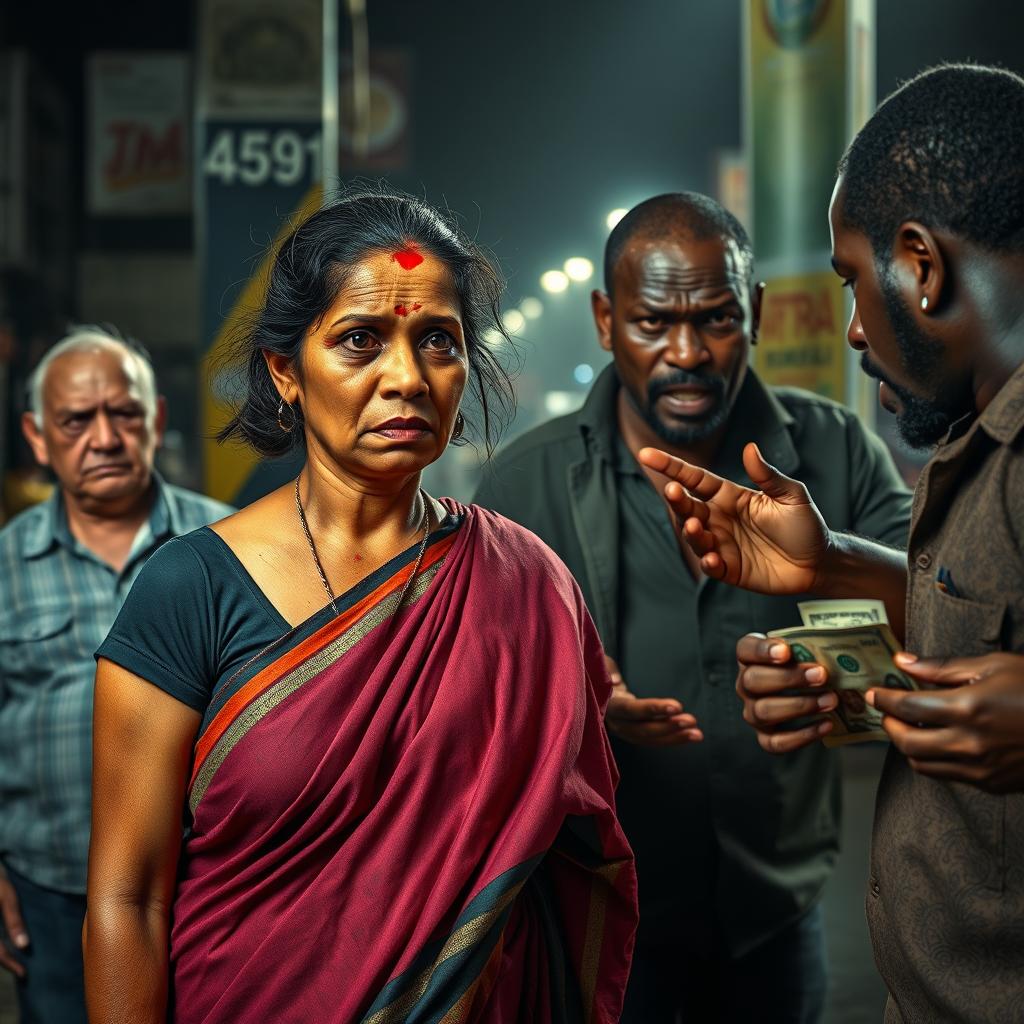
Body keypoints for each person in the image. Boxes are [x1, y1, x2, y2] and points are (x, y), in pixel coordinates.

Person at [84, 189, 637, 1024]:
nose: (407, 378)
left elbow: (571, 861)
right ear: (285, 372)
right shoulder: (189, 589)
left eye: (438, 342)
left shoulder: (529, 584)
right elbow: (127, 902)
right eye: (359, 341)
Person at [641, 64, 1024, 1023]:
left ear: (921, 266)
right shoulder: (977, 444)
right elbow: (979, 653)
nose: (854, 329)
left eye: (855, 282)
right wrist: (833, 576)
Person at [473, 192, 912, 1022]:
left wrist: (832, 681)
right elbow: (471, 714)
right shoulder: (521, 486)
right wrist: (577, 704)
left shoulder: (834, 448)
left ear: (755, 310)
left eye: (714, 319)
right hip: (599, 906)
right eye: (651, 324)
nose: (685, 352)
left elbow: (932, 615)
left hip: (775, 906)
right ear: (606, 320)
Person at [0, 327, 232, 1023]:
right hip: (50, 898)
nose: (104, 437)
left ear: (157, 419)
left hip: (204, 895)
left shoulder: (230, 550)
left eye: (124, 413)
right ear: (38, 438)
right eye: (76, 420)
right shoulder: (4, 566)